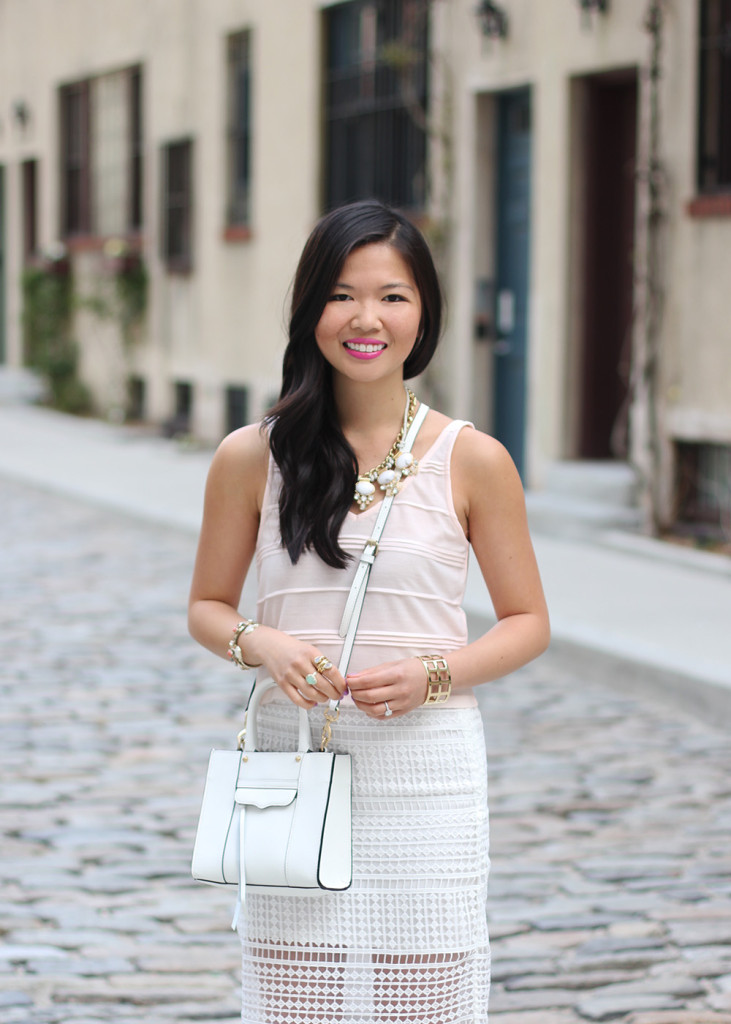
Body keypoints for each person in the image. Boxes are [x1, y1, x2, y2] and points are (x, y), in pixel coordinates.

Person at [188, 199, 550, 1024]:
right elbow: (207, 607)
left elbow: (528, 620)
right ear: (310, 306)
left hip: (426, 773)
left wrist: (436, 674)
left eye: (392, 296)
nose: (365, 319)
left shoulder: (474, 459)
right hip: (295, 766)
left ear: (422, 316)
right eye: (341, 294)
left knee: (424, 989)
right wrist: (261, 643)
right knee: (297, 999)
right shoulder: (252, 456)